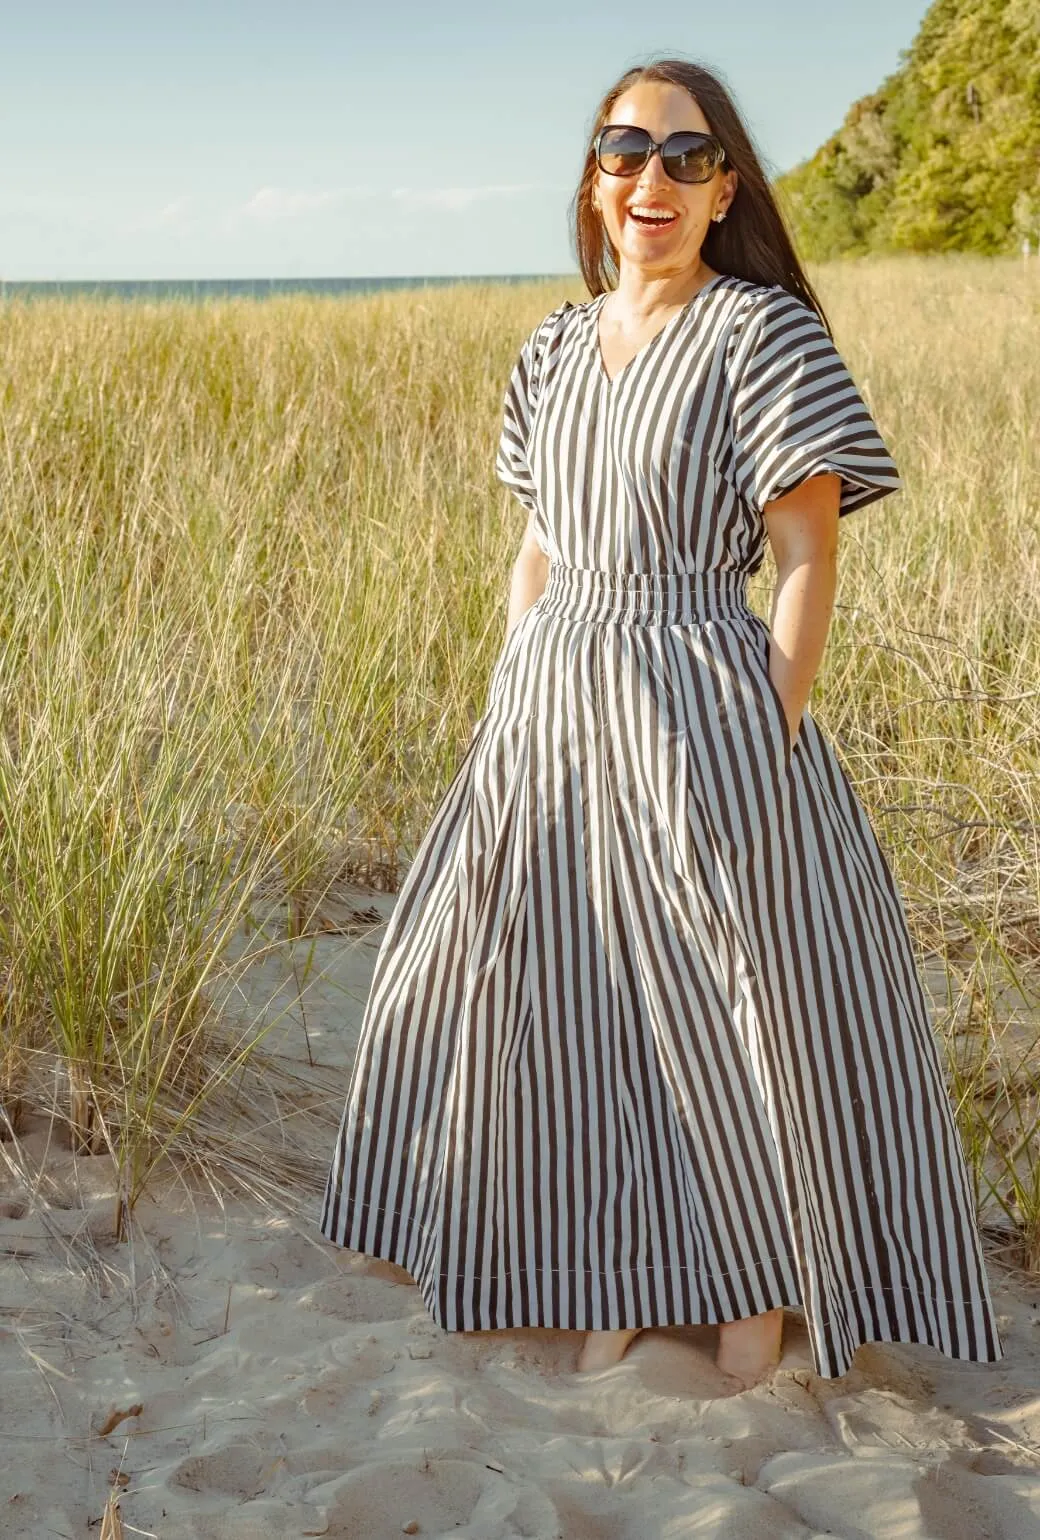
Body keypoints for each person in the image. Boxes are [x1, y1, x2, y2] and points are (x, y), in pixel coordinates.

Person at [320, 57, 1005, 1391]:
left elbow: (806, 556)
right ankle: (603, 1276)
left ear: (724, 187)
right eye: (626, 150)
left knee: (731, 1004)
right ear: (593, 178)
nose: (653, 179)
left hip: (700, 697)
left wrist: (770, 736)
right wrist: (518, 679)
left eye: (686, 158)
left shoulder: (761, 334)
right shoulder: (553, 346)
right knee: (571, 1001)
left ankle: (758, 1288)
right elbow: (538, 543)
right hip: (552, 707)